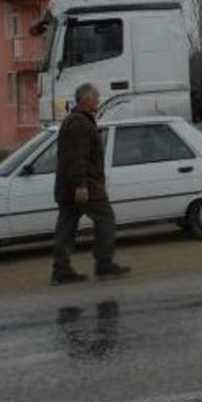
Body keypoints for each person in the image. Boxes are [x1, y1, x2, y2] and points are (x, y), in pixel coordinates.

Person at [51, 83, 130, 285]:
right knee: (105, 219)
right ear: (86, 99)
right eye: (96, 97)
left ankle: (61, 270)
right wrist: (81, 186)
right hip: (83, 186)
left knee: (66, 227)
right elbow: (78, 157)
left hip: (68, 186)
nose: (98, 101)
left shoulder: (75, 120)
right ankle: (104, 265)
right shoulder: (79, 123)